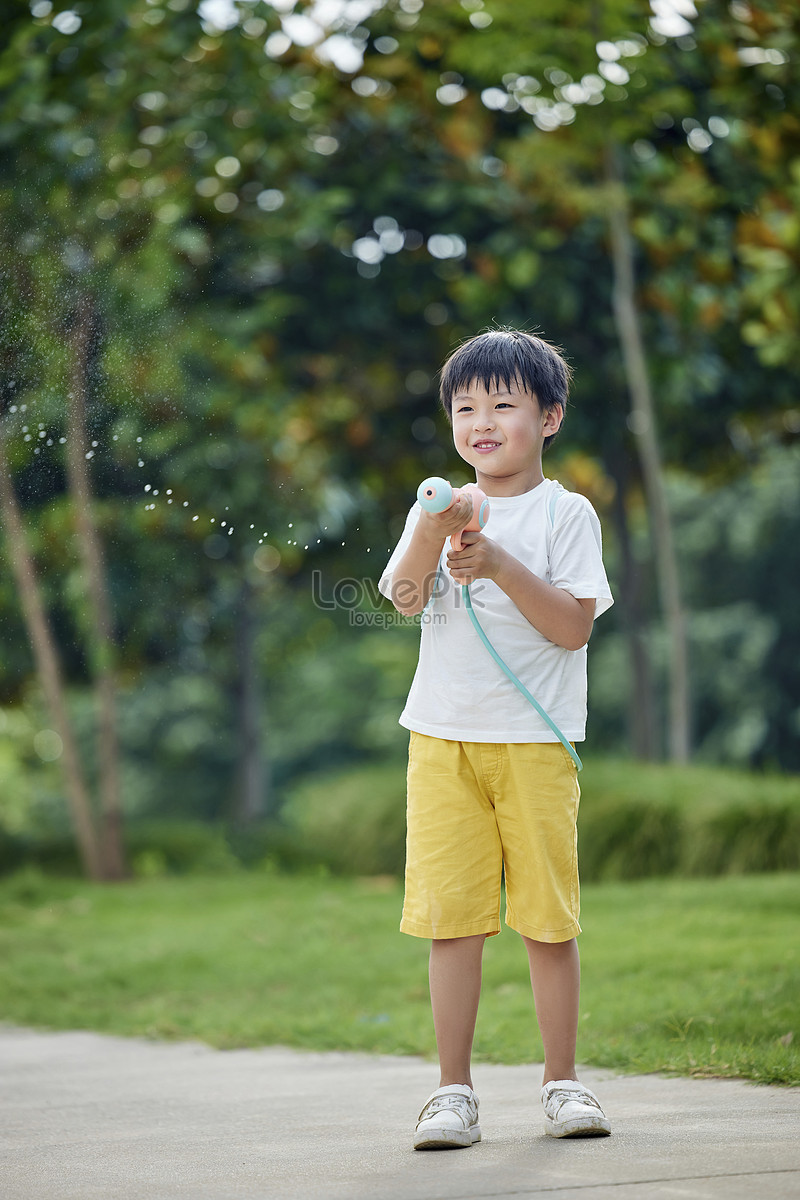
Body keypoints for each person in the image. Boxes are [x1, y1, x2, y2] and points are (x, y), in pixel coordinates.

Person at [378, 328, 614, 1149]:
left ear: (548, 418)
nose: (482, 420)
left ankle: (563, 1082)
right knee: (453, 921)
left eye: (503, 404)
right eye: (466, 406)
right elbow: (405, 598)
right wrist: (433, 528)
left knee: (548, 920)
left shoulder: (566, 513)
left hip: (535, 746)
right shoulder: (436, 508)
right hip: (440, 743)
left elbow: (572, 630)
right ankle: (452, 1093)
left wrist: (503, 564)